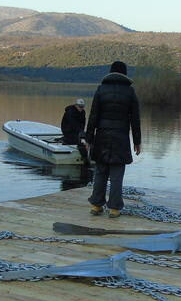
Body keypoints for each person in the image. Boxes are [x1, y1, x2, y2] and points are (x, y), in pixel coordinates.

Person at [85, 61, 141, 218]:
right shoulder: (130, 92)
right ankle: (114, 209)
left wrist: (89, 138)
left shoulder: (101, 90)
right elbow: (135, 119)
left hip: (102, 136)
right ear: (124, 74)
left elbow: (93, 116)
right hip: (121, 138)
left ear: (110, 73)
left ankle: (96, 206)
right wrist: (137, 141)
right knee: (117, 174)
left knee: (100, 172)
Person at [60, 98, 88, 162]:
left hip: (77, 131)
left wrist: (82, 133)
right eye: (80, 106)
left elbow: (83, 124)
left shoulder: (83, 112)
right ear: (76, 105)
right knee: (80, 141)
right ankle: (85, 158)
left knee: (87, 138)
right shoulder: (70, 112)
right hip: (68, 131)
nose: (81, 108)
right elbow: (73, 124)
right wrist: (80, 134)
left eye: (83, 106)